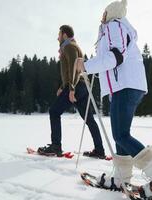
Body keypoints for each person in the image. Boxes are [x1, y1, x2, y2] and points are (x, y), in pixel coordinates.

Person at [75, 0, 152, 198]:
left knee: (121, 135)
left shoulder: (115, 25)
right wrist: (93, 65)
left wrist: (86, 66)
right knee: (120, 135)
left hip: (126, 86)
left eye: (104, 13)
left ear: (111, 13)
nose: (101, 16)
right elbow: (112, 58)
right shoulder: (112, 28)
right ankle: (122, 178)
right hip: (123, 87)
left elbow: (116, 56)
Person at [38, 25, 106, 159]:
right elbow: (69, 70)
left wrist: (71, 89)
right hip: (81, 86)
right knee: (89, 119)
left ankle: (56, 147)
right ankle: (99, 150)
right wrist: (63, 87)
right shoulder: (70, 47)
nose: (57, 37)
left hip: (76, 86)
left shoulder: (69, 47)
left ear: (64, 35)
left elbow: (74, 67)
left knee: (54, 111)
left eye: (59, 34)